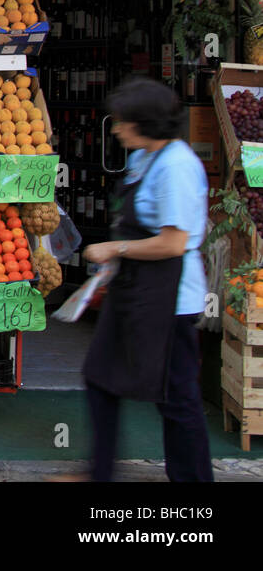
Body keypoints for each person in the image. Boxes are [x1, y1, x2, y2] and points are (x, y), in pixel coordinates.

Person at [81, 76, 213, 482]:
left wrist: (115, 249)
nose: (116, 128)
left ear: (146, 123)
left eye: (122, 121)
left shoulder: (177, 167)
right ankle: (99, 474)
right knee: (100, 377)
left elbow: (174, 243)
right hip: (136, 289)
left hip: (169, 299)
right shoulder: (146, 157)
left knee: (177, 398)